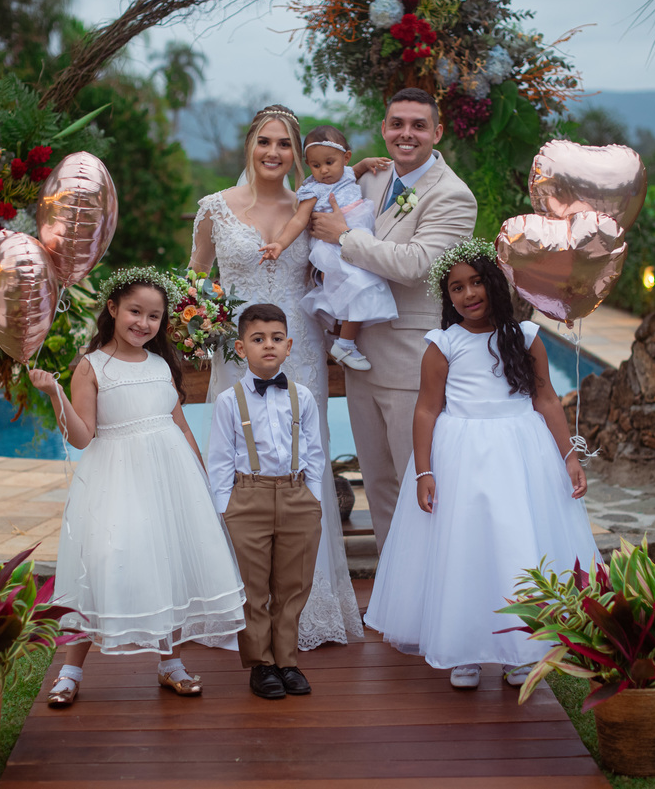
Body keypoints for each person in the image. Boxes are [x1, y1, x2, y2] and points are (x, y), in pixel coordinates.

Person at [363, 239, 602, 689]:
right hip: (462, 455)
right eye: (456, 288)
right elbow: (427, 410)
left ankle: (518, 649)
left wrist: (569, 456)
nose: (469, 294)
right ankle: (464, 648)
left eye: (476, 283)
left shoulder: (526, 338)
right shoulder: (443, 343)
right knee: (465, 549)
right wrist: (425, 469)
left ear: (495, 283)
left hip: (520, 451)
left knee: (515, 546)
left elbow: (546, 398)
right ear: (448, 297)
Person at [189, 104, 364, 651]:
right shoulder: (215, 209)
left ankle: (307, 608)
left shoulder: (315, 205)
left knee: (301, 462)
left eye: (285, 144)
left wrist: (373, 165)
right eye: (264, 142)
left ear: (298, 153)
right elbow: (195, 281)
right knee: (236, 465)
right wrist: (202, 326)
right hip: (236, 355)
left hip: (302, 353)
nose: (273, 152)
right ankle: (237, 606)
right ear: (249, 146)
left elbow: (348, 249)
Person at [28, 266, 246, 705]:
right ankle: (71, 670)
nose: (143, 323)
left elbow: (180, 424)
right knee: (106, 561)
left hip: (172, 479)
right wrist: (55, 394)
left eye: (154, 316)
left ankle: (171, 662)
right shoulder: (92, 367)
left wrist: (202, 481)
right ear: (112, 309)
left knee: (169, 561)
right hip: (117, 479)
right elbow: (83, 437)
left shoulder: (161, 364)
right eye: (134, 311)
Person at [308, 87, 477, 553]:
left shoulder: (452, 196)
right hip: (361, 358)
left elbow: (415, 264)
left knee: (417, 481)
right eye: (397, 124)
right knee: (378, 483)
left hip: (410, 363)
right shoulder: (370, 181)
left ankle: (432, 594)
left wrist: (344, 239)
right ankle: (392, 595)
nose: (406, 133)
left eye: (418, 125)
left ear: (436, 132)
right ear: (383, 130)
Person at [206, 303, 326, 699]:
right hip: (248, 498)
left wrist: (314, 497)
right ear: (241, 348)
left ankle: (287, 661)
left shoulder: (302, 396)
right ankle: (261, 665)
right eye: (258, 339)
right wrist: (226, 510)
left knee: (293, 584)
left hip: (296, 495)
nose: (268, 346)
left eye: (276, 339)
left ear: (289, 346)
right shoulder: (229, 400)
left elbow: (314, 450)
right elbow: (220, 458)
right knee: (253, 588)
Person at [258, 125, 396, 371]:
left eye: (329, 162)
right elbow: (299, 220)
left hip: (356, 240)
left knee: (355, 292)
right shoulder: (313, 189)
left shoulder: (345, 174)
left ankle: (340, 338)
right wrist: (280, 243)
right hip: (333, 248)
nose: (323, 171)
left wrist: (366, 163)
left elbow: (355, 170)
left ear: (345, 158)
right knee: (356, 289)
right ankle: (345, 343)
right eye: (315, 165)